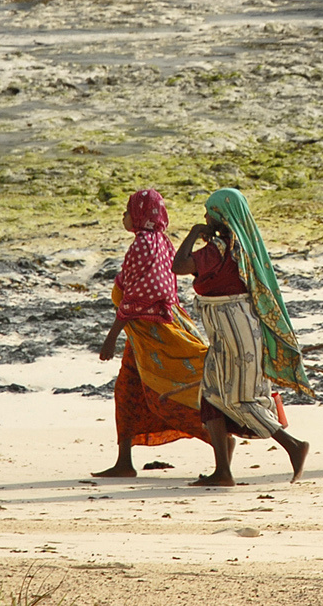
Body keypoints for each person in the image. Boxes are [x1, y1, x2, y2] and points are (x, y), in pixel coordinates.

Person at [172, 187, 313, 486]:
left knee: (238, 398)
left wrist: (195, 232)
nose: (205, 217)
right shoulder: (244, 246)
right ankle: (223, 472)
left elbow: (179, 266)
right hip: (228, 331)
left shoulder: (220, 248)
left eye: (209, 212)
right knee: (211, 394)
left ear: (220, 216)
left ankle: (293, 445)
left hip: (234, 331)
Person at [92, 188, 211, 478]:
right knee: (128, 390)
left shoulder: (144, 245)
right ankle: (123, 462)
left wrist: (111, 337)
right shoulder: (160, 242)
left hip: (152, 333)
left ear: (141, 215)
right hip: (141, 334)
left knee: (167, 391)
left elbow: (142, 294)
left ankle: (219, 443)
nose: (124, 216)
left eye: (127, 211)